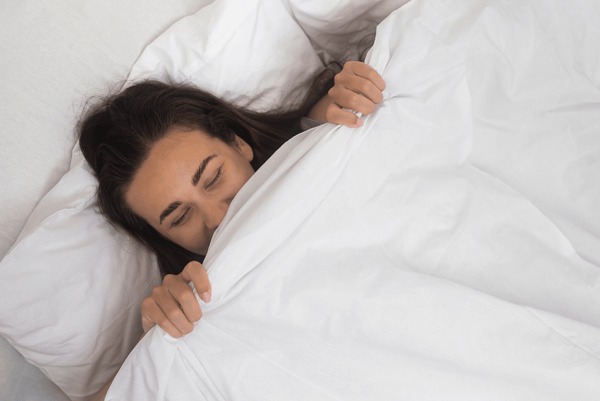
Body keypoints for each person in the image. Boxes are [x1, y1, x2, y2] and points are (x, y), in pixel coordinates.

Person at [79, 60, 386, 341]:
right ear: (160, 236)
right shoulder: (197, 302)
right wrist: (158, 335)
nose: (217, 218)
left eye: (213, 178)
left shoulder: (317, 136)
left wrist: (341, 103)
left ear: (239, 144)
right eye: (180, 217)